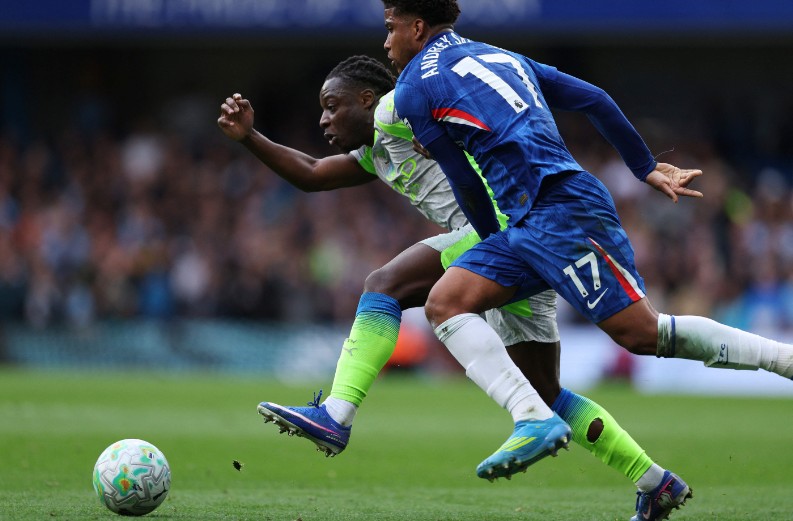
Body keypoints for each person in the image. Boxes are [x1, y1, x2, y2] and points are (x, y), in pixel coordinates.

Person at [218, 55, 694, 518]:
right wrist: (250, 137)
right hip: (516, 248)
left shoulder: (400, 111)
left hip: (503, 231)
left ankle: (337, 414)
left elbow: (450, 117)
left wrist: (433, 128)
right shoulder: (374, 153)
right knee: (547, 392)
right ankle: (655, 482)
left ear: (367, 99)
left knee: (384, 284)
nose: (323, 119)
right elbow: (312, 173)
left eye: (331, 106)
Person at [382, 0, 793, 519]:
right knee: (446, 303)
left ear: (417, 28)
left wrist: (488, 241)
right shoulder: (500, 55)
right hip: (534, 218)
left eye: (390, 28)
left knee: (641, 333)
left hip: (557, 211)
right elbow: (594, 98)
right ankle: (628, 469)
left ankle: (785, 360)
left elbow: (464, 180)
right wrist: (644, 166)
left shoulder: (413, 87)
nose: (387, 43)